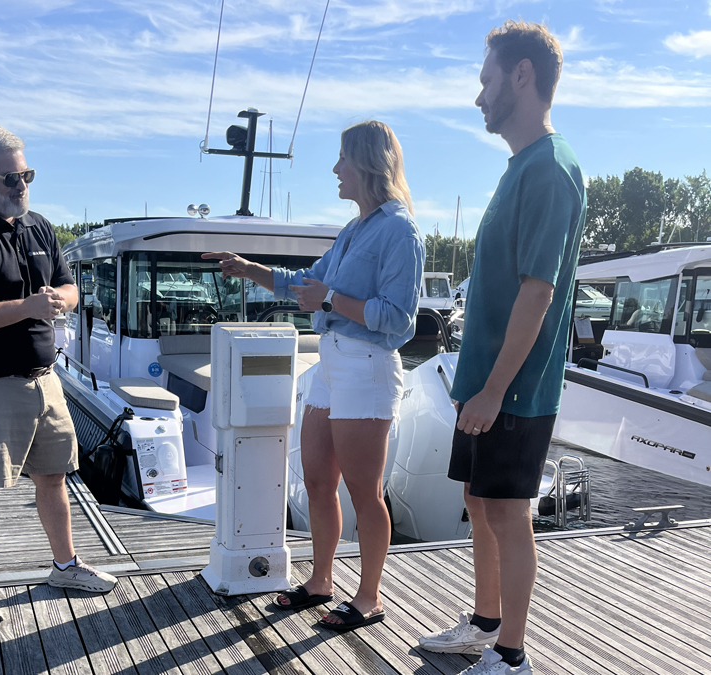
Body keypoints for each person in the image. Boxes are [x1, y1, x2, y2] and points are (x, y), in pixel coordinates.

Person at [203, 120, 424, 632]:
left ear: (368, 163)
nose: (335, 169)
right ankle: (321, 580)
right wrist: (246, 267)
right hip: (331, 363)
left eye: (343, 158)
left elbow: (399, 321)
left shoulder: (400, 230)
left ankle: (369, 598)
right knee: (319, 479)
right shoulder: (355, 229)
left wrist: (329, 299)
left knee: (365, 493)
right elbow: (304, 282)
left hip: (367, 367)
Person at [417, 21, 587, 675]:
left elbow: (537, 290)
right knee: (479, 501)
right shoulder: (522, 167)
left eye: (486, 79)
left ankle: (511, 656)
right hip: (485, 379)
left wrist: (493, 388)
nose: (478, 95)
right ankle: (484, 623)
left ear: (521, 75)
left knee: (510, 512)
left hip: (514, 386)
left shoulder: (551, 168)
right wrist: (476, 382)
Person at [0, 124, 117, 628]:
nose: (22, 186)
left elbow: (68, 287)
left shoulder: (39, 226)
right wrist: (29, 306)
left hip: (44, 378)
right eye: (11, 178)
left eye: (27, 175)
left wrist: (62, 299)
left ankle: (66, 566)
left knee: (55, 477)